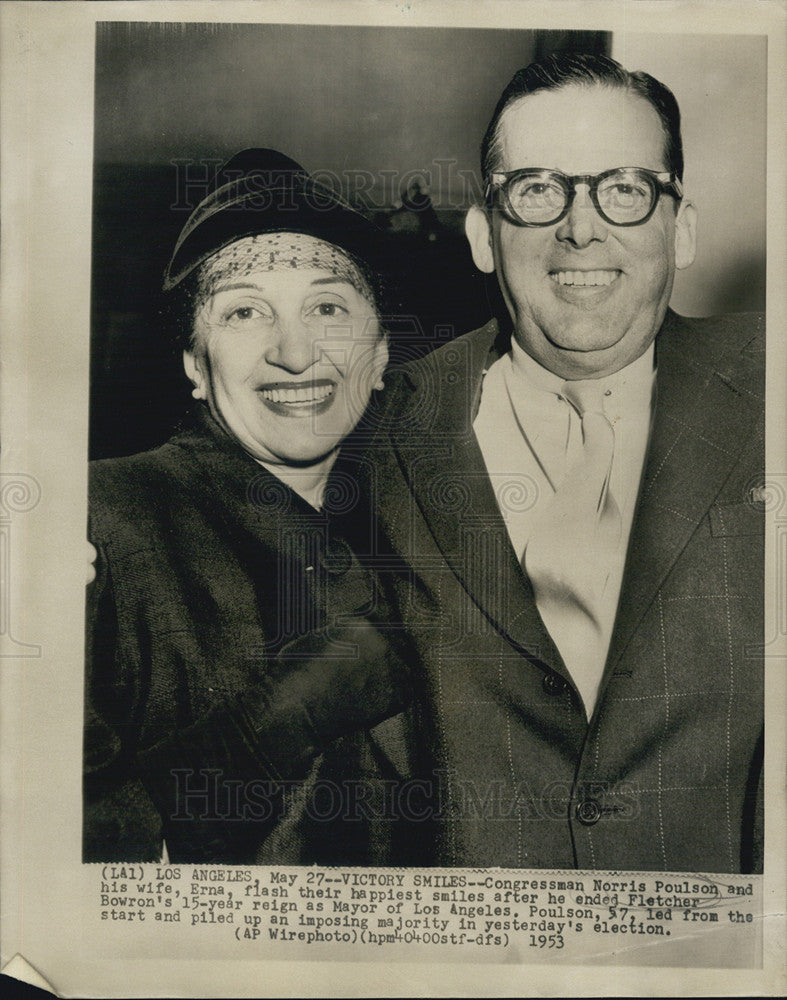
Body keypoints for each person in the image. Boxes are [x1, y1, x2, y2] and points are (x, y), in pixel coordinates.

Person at [349, 53, 764, 873]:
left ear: (679, 228)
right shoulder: (374, 426)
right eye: (538, 189)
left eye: (624, 188)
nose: (581, 228)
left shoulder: (770, 392)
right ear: (482, 233)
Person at [83, 148, 422, 865]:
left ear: (383, 349)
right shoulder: (94, 526)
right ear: (194, 365)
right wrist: (267, 726)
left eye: (327, 307)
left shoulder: (425, 536)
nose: (294, 353)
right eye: (244, 313)